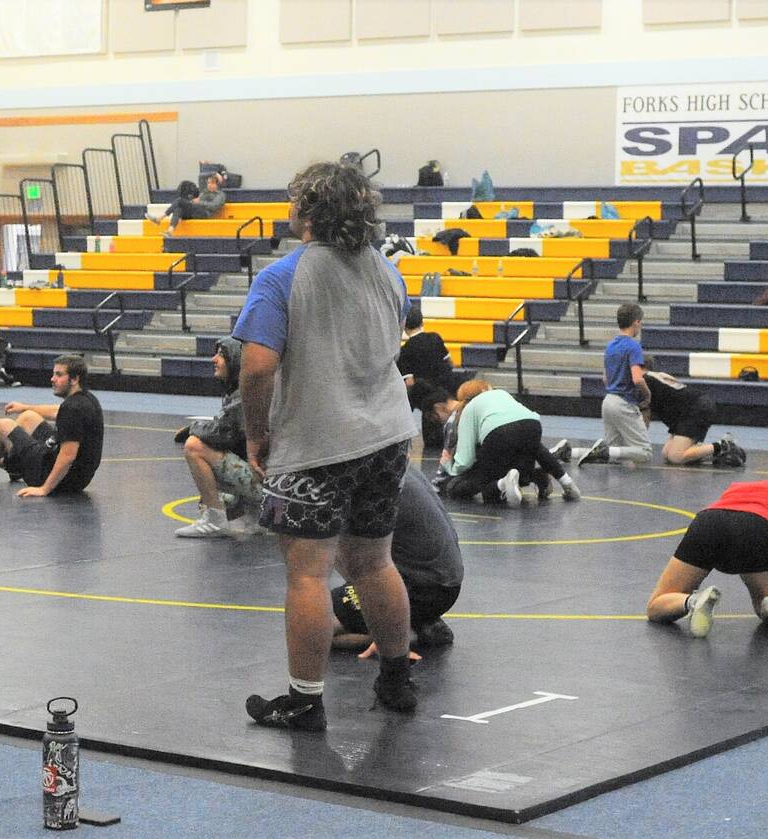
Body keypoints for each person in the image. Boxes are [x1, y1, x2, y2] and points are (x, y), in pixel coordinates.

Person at [232, 161, 418, 731]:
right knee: (374, 561)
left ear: (307, 211)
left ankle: (305, 701)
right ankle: (397, 678)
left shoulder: (282, 277)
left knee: (308, 573)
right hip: (387, 434)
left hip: (318, 441)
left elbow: (257, 366)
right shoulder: (388, 271)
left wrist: (255, 432)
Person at [646, 479, 768, 640]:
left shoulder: (751, 487)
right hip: (758, 528)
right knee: (766, 608)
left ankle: (693, 601)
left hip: (710, 522)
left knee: (657, 605)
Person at [330, 467, 464, 655]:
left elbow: (354, 564)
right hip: (442, 584)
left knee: (313, 623)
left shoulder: (356, 477)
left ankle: (402, 635)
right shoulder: (393, 462)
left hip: (421, 588)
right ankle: (418, 623)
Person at [0, 354, 104, 498]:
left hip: (61, 481)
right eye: (53, 374)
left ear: (75, 379)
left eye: (59, 375)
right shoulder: (87, 399)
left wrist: (44, 489)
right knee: (28, 417)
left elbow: (68, 456)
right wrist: (24, 407)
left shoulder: (72, 409)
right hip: (75, 477)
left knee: (2, 426)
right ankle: (12, 465)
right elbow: (57, 411)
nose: (52, 379)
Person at [443, 380, 578, 506]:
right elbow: (518, 426)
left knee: (476, 489)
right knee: (534, 450)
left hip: (499, 435)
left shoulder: (469, 409)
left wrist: (448, 465)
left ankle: (502, 484)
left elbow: (465, 461)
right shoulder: (502, 393)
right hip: (532, 425)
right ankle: (565, 482)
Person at [174, 337, 250, 538]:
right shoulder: (241, 389)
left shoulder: (244, 394)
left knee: (194, 446)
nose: (213, 359)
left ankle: (216, 520)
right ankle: (255, 514)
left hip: (269, 484)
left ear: (235, 360)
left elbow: (224, 434)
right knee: (209, 499)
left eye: (221, 355)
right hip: (275, 483)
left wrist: (194, 429)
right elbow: (227, 427)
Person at [571, 304, 655, 466]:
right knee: (645, 452)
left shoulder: (611, 346)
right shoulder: (633, 346)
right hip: (624, 403)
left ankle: (570, 452)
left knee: (612, 453)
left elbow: (605, 379)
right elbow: (637, 379)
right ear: (636, 323)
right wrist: (647, 394)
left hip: (608, 401)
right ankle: (601, 451)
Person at [397, 305, 465, 449]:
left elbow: (409, 382)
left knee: (432, 443)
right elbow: (450, 362)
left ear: (404, 327)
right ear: (422, 322)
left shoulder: (405, 350)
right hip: (448, 389)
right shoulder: (435, 338)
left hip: (428, 398)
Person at [151, 172, 226, 236]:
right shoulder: (204, 191)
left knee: (180, 200)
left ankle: (160, 218)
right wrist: (214, 173)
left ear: (217, 185)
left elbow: (214, 206)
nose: (209, 185)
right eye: (208, 183)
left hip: (205, 213)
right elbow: (201, 177)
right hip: (195, 210)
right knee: (178, 209)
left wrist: (200, 202)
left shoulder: (220, 194)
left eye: (212, 183)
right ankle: (170, 230)